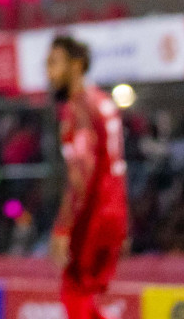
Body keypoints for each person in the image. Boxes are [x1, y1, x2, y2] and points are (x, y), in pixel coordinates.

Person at [45, 34, 129, 319]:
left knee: (74, 293)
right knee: (85, 298)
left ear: (77, 66)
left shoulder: (79, 107)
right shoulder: (102, 102)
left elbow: (82, 174)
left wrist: (63, 227)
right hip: (114, 210)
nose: (49, 72)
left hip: (94, 214)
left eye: (55, 63)